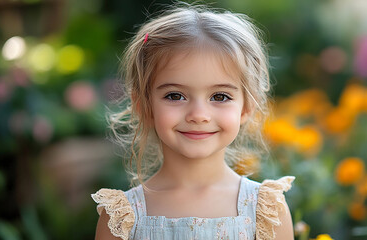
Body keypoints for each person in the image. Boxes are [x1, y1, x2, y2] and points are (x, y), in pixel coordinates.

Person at [91, 3, 295, 239]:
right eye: (175, 96)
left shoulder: (266, 212)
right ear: (144, 107)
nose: (198, 115)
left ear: (246, 107)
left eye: (220, 96)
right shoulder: (122, 219)